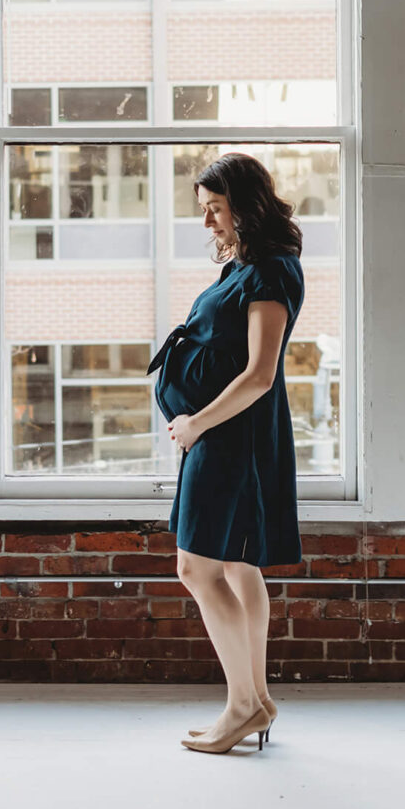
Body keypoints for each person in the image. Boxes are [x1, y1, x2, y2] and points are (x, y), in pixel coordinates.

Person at [149, 151, 304, 755]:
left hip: (232, 437)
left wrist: (195, 423)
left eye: (216, 208)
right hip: (224, 433)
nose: (207, 221)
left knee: (196, 568)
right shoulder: (247, 265)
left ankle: (242, 706)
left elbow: (260, 373)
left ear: (246, 205)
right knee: (239, 565)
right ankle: (256, 700)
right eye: (204, 209)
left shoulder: (270, 273)